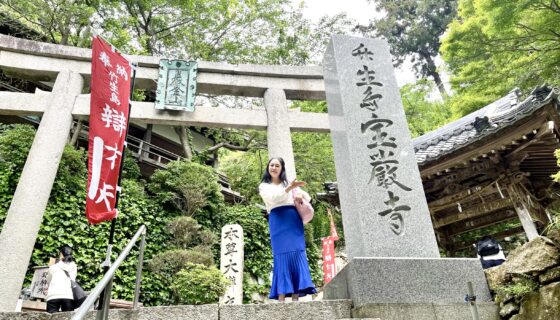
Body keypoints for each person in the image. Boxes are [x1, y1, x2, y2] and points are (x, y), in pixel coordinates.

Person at [258, 157, 317, 302]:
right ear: (268, 167)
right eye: (272, 165)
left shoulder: (288, 183)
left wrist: (299, 194)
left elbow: (307, 197)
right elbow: (274, 199)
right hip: (277, 220)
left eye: (277, 165)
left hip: (293, 220)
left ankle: (296, 295)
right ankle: (281, 296)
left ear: (282, 168)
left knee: (297, 253)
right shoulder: (264, 186)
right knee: (281, 255)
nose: (274, 168)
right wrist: (289, 188)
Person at [46, 246, 78, 313]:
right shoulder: (74, 267)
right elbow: (73, 278)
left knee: (51, 318)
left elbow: (48, 280)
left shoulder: (53, 267)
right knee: (68, 318)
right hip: (68, 295)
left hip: (53, 295)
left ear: (61, 255)